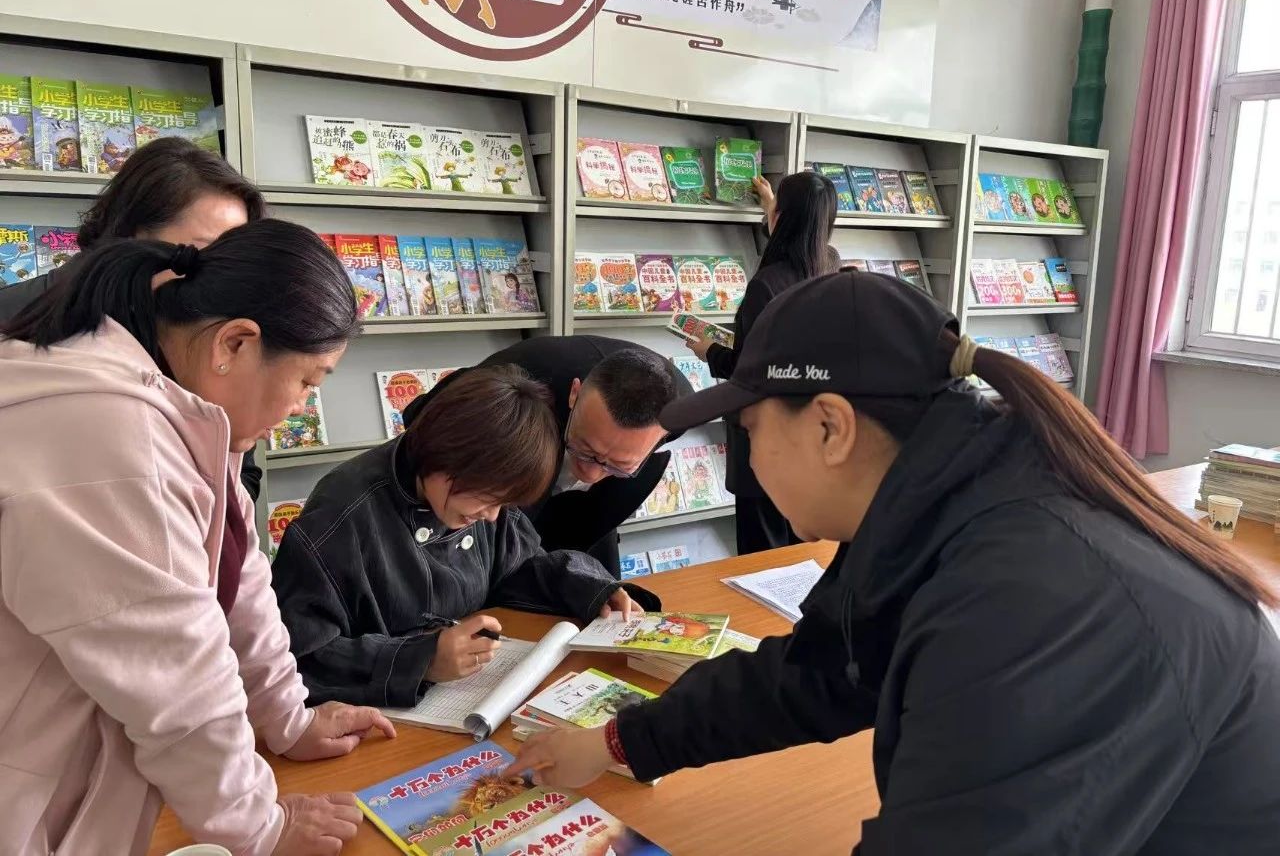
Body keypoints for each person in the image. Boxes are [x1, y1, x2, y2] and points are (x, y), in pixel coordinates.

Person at [507, 270, 1280, 854]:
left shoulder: (1032, 596)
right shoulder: (952, 506)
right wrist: (616, 741)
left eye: (750, 430)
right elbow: (814, 676)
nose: (748, 459)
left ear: (830, 427)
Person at [0, 219, 396, 855]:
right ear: (234, 343)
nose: (302, 407)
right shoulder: (114, 436)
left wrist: (288, 718)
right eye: (308, 382)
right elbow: (176, 674)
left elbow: (239, 577)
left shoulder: (182, 410)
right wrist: (261, 828)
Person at [272, 365, 658, 707]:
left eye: (505, 503)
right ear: (446, 454)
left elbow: (523, 566)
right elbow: (295, 656)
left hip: (463, 698)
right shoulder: (342, 517)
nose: (492, 517)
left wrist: (592, 588)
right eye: (488, 500)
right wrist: (421, 660)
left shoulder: (483, 491)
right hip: (370, 720)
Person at [0, 136, 268, 500]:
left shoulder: (216, 333)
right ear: (130, 237)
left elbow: (244, 474)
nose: (223, 278)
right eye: (203, 255)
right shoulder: (14, 317)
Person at [400, 337, 691, 577]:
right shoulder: (519, 385)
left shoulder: (681, 413)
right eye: (586, 449)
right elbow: (425, 426)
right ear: (574, 394)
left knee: (593, 588)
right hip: (507, 493)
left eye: (619, 464)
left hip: (585, 509)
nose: (590, 474)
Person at [686, 172, 837, 555]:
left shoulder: (765, 285)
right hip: (811, 441)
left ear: (782, 218)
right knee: (802, 553)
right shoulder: (831, 267)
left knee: (762, 559)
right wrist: (773, 207)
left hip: (764, 444)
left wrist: (709, 350)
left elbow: (749, 373)